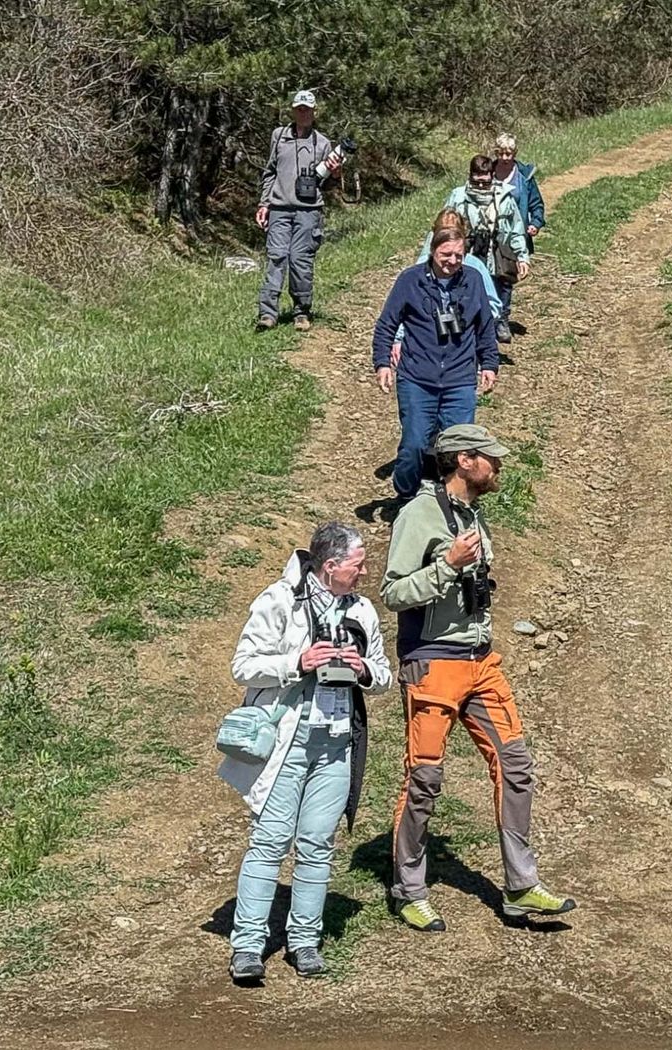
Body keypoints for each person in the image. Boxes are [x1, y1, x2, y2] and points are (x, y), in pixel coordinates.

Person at [381, 424, 575, 932]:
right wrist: (447, 565)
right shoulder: (418, 515)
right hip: (433, 665)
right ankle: (409, 888)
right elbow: (395, 593)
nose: (499, 466)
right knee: (424, 779)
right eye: (491, 458)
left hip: (482, 664)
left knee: (516, 768)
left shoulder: (472, 514)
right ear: (464, 461)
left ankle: (521, 886)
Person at [220, 522, 392, 981]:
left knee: (318, 844)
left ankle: (305, 942)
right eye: (358, 565)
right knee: (270, 842)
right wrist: (298, 662)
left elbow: (383, 674)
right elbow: (243, 666)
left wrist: (363, 671)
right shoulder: (279, 601)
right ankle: (247, 946)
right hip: (287, 743)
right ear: (330, 566)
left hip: (336, 744)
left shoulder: (363, 610)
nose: (364, 572)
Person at [372, 221, 499, 502]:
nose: (452, 262)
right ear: (432, 252)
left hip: (460, 380)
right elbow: (386, 325)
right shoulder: (410, 280)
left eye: (458, 256)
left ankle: (454, 501)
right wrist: (383, 362)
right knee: (415, 444)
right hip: (418, 378)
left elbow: (485, 326)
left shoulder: (473, 280)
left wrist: (489, 363)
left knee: (460, 448)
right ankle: (406, 495)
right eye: (446, 255)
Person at [255, 89, 344, 334]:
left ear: (315, 113)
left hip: (309, 212)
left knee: (300, 261)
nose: (303, 113)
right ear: (293, 111)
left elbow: (328, 185)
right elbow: (270, 172)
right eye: (299, 109)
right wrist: (264, 204)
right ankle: (267, 313)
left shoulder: (324, 143)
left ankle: (301, 311)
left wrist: (336, 173)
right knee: (276, 258)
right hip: (279, 208)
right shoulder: (279, 136)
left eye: (307, 109)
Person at [391, 209, 503, 371]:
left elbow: (491, 306)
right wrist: (399, 339)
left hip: (463, 350)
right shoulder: (419, 269)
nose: (451, 261)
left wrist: (470, 320)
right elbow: (406, 307)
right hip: (424, 347)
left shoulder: (474, 268)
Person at [443, 155, 530, 344]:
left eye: (486, 182)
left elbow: (516, 229)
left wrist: (522, 257)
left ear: (492, 176)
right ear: (470, 176)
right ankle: (461, 336)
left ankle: (499, 323)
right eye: (477, 182)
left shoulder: (504, 197)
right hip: (466, 254)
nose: (481, 187)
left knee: (499, 290)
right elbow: (444, 227)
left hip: (497, 252)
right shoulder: (458, 197)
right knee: (462, 294)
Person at [492, 133, 545, 334]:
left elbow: (536, 204)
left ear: (515, 153)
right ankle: (488, 317)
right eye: (501, 153)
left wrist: (535, 223)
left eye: (509, 153)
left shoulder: (524, 176)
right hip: (489, 232)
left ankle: (502, 319)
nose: (505, 158)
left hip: (513, 234)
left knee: (506, 276)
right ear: (496, 152)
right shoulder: (487, 171)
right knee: (487, 276)